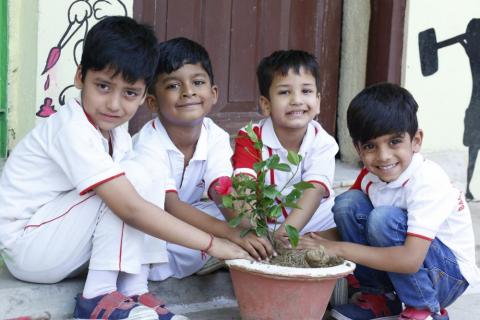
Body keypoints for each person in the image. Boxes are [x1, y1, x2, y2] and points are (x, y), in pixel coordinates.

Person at [0, 17, 250, 320]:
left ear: (144, 96)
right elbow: (130, 208)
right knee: (128, 184)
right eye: (103, 86)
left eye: (130, 93)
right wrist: (215, 245)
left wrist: (233, 234)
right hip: (29, 248)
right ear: (80, 77)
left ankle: (133, 290)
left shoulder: (118, 133)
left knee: (147, 171)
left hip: (63, 243)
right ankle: (97, 298)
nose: (114, 105)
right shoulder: (71, 128)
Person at [298, 83, 480, 320]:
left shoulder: (426, 181)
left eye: (394, 142)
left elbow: (410, 259)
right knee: (347, 204)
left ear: (416, 140)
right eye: (371, 146)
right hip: (410, 263)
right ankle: (380, 298)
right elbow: (349, 224)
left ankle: (425, 310)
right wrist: (306, 241)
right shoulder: (371, 177)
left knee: (384, 219)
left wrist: (337, 249)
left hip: (448, 276)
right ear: (358, 149)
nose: (383, 156)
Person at [133, 37, 273, 281]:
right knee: (151, 241)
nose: (189, 92)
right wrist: (231, 234)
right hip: (157, 217)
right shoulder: (148, 142)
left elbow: (221, 189)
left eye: (198, 82)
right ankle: (215, 252)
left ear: (213, 93)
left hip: (191, 212)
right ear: (152, 101)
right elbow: (170, 205)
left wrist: (246, 228)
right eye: (173, 86)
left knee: (248, 215)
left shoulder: (214, 135)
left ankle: (219, 252)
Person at [231, 49, 339, 247]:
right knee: (222, 212)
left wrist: (288, 232)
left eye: (306, 91)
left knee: (342, 216)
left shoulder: (323, 142)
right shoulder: (251, 137)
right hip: (263, 221)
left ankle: (304, 246)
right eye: (284, 92)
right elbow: (244, 184)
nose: (297, 100)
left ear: (318, 102)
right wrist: (257, 231)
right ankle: (284, 246)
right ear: (266, 104)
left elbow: (314, 190)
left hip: (310, 217)